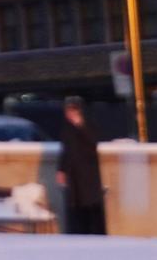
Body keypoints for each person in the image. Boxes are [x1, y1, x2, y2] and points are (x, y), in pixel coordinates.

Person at [56, 94, 107, 234]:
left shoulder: (88, 124)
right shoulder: (66, 128)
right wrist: (61, 170)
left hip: (88, 174)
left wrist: (81, 125)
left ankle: (95, 233)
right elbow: (66, 151)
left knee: (91, 205)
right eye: (67, 111)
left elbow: (94, 141)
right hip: (74, 174)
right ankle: (79, 232)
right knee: (76, 206)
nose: (69, 114)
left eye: (72, 110)